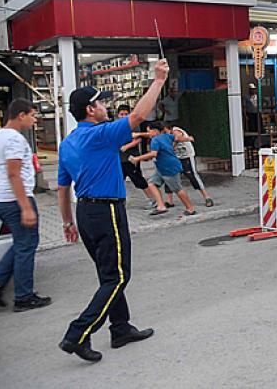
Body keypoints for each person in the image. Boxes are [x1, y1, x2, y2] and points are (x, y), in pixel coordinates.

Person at [56, 60, 168, 362]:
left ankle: (120, 328)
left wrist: (67, 222)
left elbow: (62, 188)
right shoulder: (100, 133)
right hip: (106, 213)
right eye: (101, 102)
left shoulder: (67, 143)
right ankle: (78, 333)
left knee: (108, 274)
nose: (106, 105)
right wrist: (158, 81)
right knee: (117, 277)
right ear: (90, 110)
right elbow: (139, 116)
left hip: (85, 214)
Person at [0, 99, 51, 312]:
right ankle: (23, 296)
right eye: (32, 115)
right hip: (13, 199)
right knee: (27, 244)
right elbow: (14, 174)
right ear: (21, 115)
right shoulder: (14, 139)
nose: (35, 120)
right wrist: (26, 206)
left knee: (22, 242)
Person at [131, 122, 197, 216]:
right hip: (162, 167)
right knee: (151, 183)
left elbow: (154, 154)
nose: (148, 134)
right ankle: (161, 206)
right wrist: (188, 138)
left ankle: (190, 208)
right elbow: (177, 138)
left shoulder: (155, 140)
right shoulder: (166, 136)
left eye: (149, 132)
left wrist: (138, 158)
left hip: (168, 167)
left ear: (155, 131)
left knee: (177, 189)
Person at [162, 123, 214, 208]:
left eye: (165, 131)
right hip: (176, 157)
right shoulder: (164, 135)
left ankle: (207, 197)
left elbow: (177, 138)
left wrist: (179, 141)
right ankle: (169, 201)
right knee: (169, 176)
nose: (165, 133)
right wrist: (187, 139)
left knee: (192, 176)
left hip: (187, 156)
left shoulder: (176, 130)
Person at [115, 106, 156, 207]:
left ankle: (153, 200)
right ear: (118, 114)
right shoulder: (115, 125)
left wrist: (126, 146)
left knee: (138, 179)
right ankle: (121, 201)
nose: (123, 116)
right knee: (119, 180)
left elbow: (138, 139)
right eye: (121, 114)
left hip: (131, 158)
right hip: (119, 159)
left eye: (126, 114)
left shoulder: (133, 125)